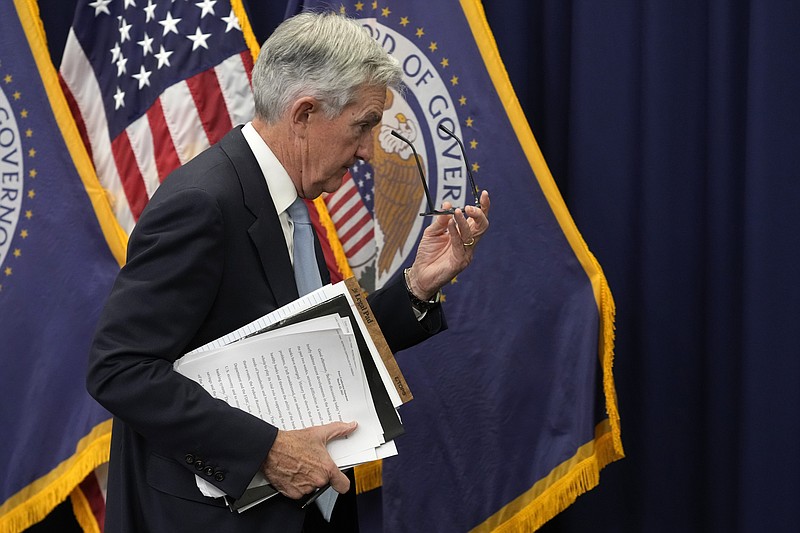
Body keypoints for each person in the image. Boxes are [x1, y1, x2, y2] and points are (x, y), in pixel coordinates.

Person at [87, 11, 490, 533]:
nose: (369, 151)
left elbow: (315, 346)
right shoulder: (203, 204)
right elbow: (119, 369)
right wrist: (268, 450)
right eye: (363, 125)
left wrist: (417, 286)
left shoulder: (288, 198)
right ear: (303, 114)